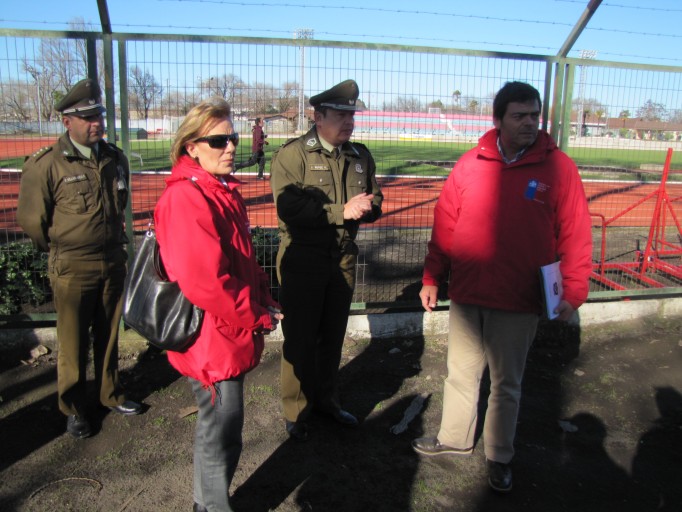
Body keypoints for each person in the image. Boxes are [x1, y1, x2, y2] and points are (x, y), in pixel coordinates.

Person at [412, 81, 592, 493]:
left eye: (534, 115)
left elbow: (576, 235)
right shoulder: (471, 162)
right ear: (498, 120)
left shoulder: (558, 168)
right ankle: (454, 439)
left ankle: (499, 455)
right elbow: (446, 224)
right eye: (519, 115)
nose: (529, 122)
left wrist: (574, 291)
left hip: (518, 297)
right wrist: (431, 277)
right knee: (460, 373)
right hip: (469, 291)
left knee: (506, 384)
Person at [153, 97, 283, 512]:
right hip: (212, 337)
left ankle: (205, 502)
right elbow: (206, 284)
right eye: (218, 140)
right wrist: (257, 314)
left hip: (226, 331)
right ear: (191, 146)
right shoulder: (187, 199)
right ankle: (210, 506)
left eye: (233, 137)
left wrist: (265, 296)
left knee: (224, 427)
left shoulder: (221, 191)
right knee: (221, 430)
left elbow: (242, 261)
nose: (231, 146)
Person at [16, 78, 142, 439]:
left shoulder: (114, 158)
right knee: (72, 342)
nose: (96, 123)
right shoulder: (46, 165)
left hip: (111, 259)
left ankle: (110, 393)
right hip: (72, 265)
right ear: (67, 121)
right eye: (87, 117)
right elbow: (31, 221)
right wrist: (62, 249)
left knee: (109, 333)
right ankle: (73, 408)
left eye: (98, 115)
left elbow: (118, 204)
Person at [270, 79, 383, 440]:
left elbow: (375, 197)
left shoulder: (360, 155)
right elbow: (289, 207)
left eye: (352, 114)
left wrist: (370, 208)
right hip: (303, 260)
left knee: (332, 338)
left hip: (342, 260)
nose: (349, 121)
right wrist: (342, 211)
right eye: (340, 115)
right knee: (300, 340)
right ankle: (296, 411)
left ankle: (326, 401)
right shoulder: (293, 155)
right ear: (318, 117)